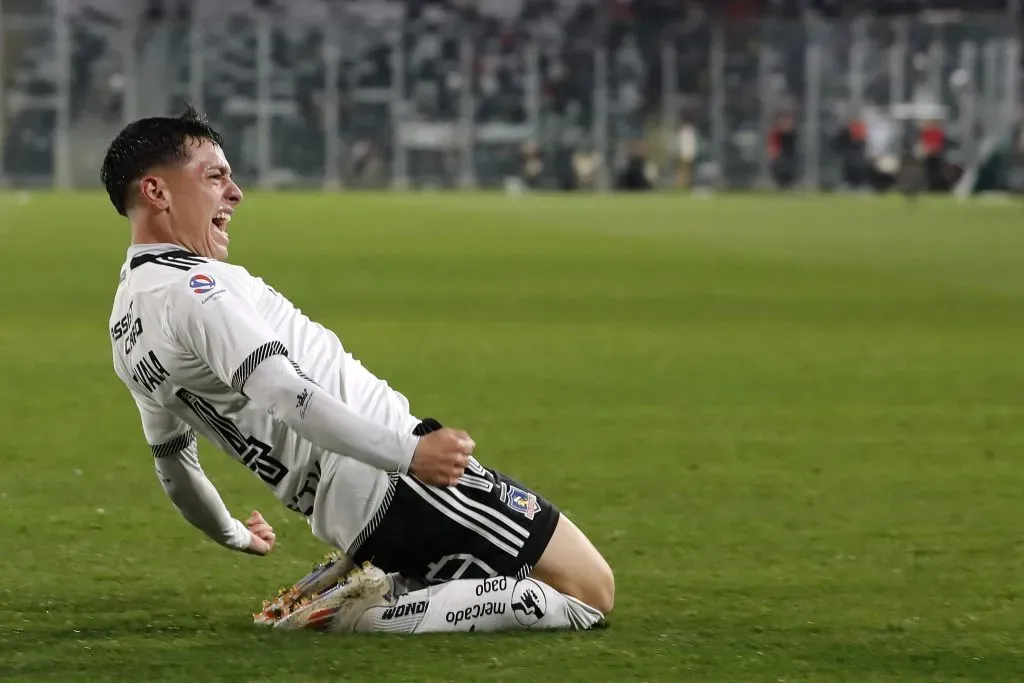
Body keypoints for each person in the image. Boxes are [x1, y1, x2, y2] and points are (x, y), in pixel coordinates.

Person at [102, 105, 614, 635]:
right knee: (589, 590)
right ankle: (371, 611)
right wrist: (410, 454)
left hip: (345, 511)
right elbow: (285, 393)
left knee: (518, 568)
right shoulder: (197, 288)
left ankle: (388, 578)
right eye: (215, 177)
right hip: (391, 477)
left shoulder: (126, 326)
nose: (235, 193)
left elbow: (176, 470)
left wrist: (235, 534)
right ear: (156, 191)